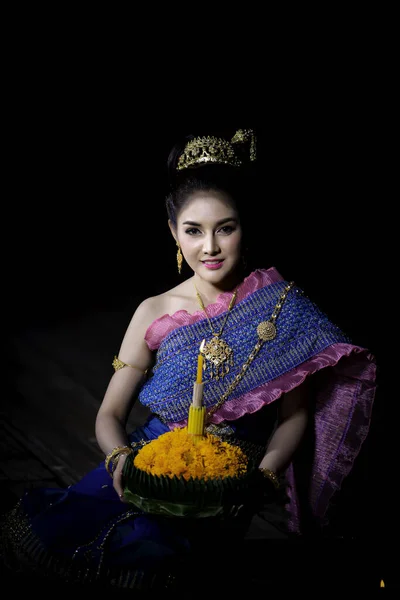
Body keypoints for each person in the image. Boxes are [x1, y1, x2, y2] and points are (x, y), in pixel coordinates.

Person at [0, 128, 377, 593]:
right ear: (173, 234)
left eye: (226, 227)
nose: (210, 247)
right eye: (193, 231)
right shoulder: (154, 311)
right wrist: (120, 460)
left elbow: (294, 415)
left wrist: (261, 480)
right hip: (149, 467)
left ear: (245, 225)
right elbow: (109, 414)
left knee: (162, 557)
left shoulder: (281, 306)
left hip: (224, 488)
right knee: (70, 536)